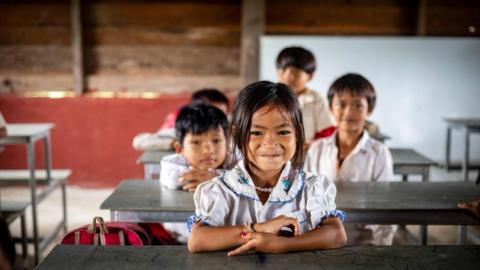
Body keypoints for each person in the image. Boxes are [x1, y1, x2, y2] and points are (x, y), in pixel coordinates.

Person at [187, 81, 347, 255]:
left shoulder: (311, 187)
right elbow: (198, 240)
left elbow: (336, 234)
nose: (270, 143)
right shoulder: (220, 190)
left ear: (298, 133)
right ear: (237, 134)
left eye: (283, 132)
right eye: (257, 133)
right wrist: (259, 229)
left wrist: (281, 245)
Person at [304, 73, 396, 245]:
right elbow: (306, 199)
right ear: (331, 107)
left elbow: (385, 209)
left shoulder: (379, 153)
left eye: (357, 105)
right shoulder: (317, 149)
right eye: (341, 104)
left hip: (364, 241)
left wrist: (380, 251)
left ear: (370, 109)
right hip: (321, 238)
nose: (348, 112)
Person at [159, 104, 228, 243]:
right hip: (181, 238)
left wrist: (217, 177)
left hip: (224, 236)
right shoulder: (175, 162)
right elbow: (170, 178)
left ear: (227, 142)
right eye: (196, 142)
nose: (208, 150)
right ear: (180, 148)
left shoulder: (234, 160)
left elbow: (251, 176)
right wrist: (216, 177)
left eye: (216, 140)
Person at [132, 88, 229, 151]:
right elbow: (139, 141)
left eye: (222, 115)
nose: (217, 120)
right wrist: (174, 143)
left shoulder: (232, 130)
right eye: (196, 142)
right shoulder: (183, 131)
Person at [276, 47, 336, 145]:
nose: (287, 77)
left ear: (310, 76)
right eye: (283, 71)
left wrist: (313, 144)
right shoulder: (269, 98)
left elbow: (327, 131)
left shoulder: (316, 99)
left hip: (307, 154)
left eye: (295, 73)